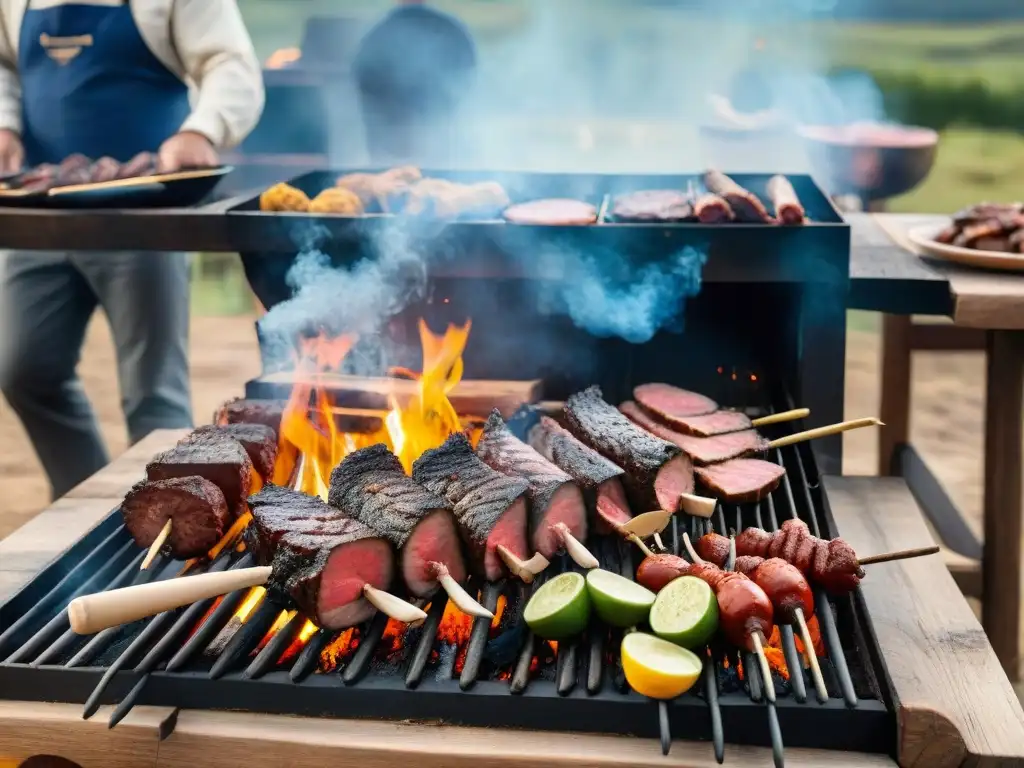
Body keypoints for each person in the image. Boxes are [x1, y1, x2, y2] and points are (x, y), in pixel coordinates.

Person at [0, 0, 264, 499]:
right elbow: (4, 64)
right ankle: (93, 508)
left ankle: (171, 522)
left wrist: (200, 130)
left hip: (142, 215)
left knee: (152, 397)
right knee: (24, 371)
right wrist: (5, 124)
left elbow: (229, 63)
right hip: (38, 213)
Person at [352, 0, 476, 165]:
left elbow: (363, 80)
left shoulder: (379, 32)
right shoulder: (449, 29)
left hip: (405, 131)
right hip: (401, 131)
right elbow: (466, 74)